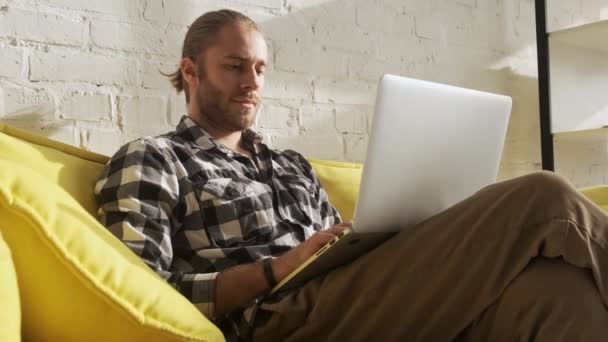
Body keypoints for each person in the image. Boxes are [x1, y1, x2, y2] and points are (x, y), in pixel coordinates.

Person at [95, 9, 608, 342]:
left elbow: (341, 256)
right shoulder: (154, 158)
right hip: (275, 318)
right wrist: (278, 268)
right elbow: (144, 294)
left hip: (343, 298)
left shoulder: (291, 165)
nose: (252, 82)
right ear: (190, 71)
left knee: (558, 294)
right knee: (545, 198)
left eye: (260, 68)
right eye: (234, 66)